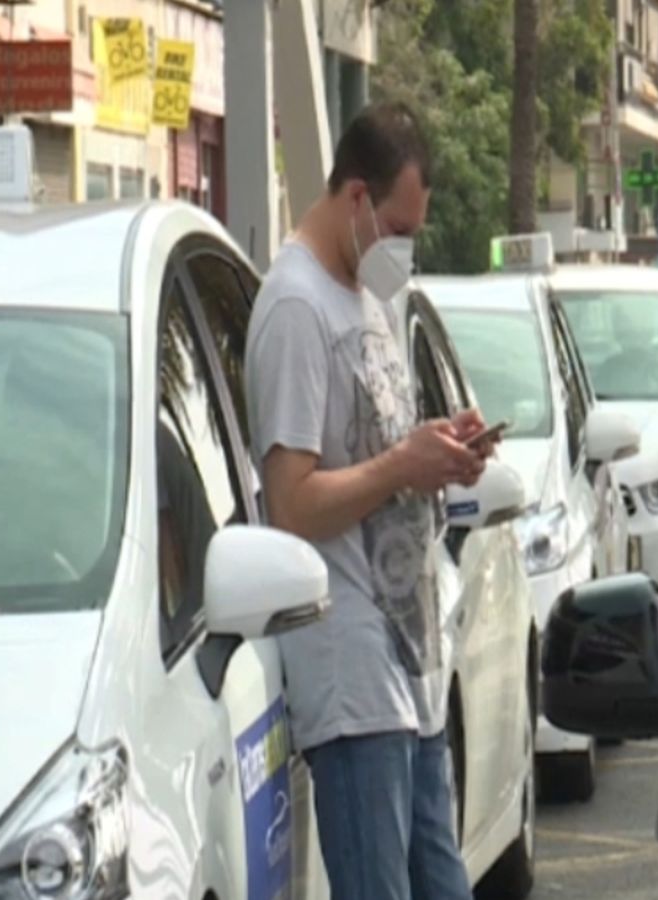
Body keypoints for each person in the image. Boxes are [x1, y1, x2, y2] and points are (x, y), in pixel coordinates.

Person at [244, 102, 497, 900]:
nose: (403, 250)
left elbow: (378, 451)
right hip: (353, 684)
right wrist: (399, 465)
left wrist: (437, 453)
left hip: (411, 673)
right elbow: (291, 504)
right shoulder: (296, 308)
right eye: (396, 228)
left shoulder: (366, 297)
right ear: (356, 197)